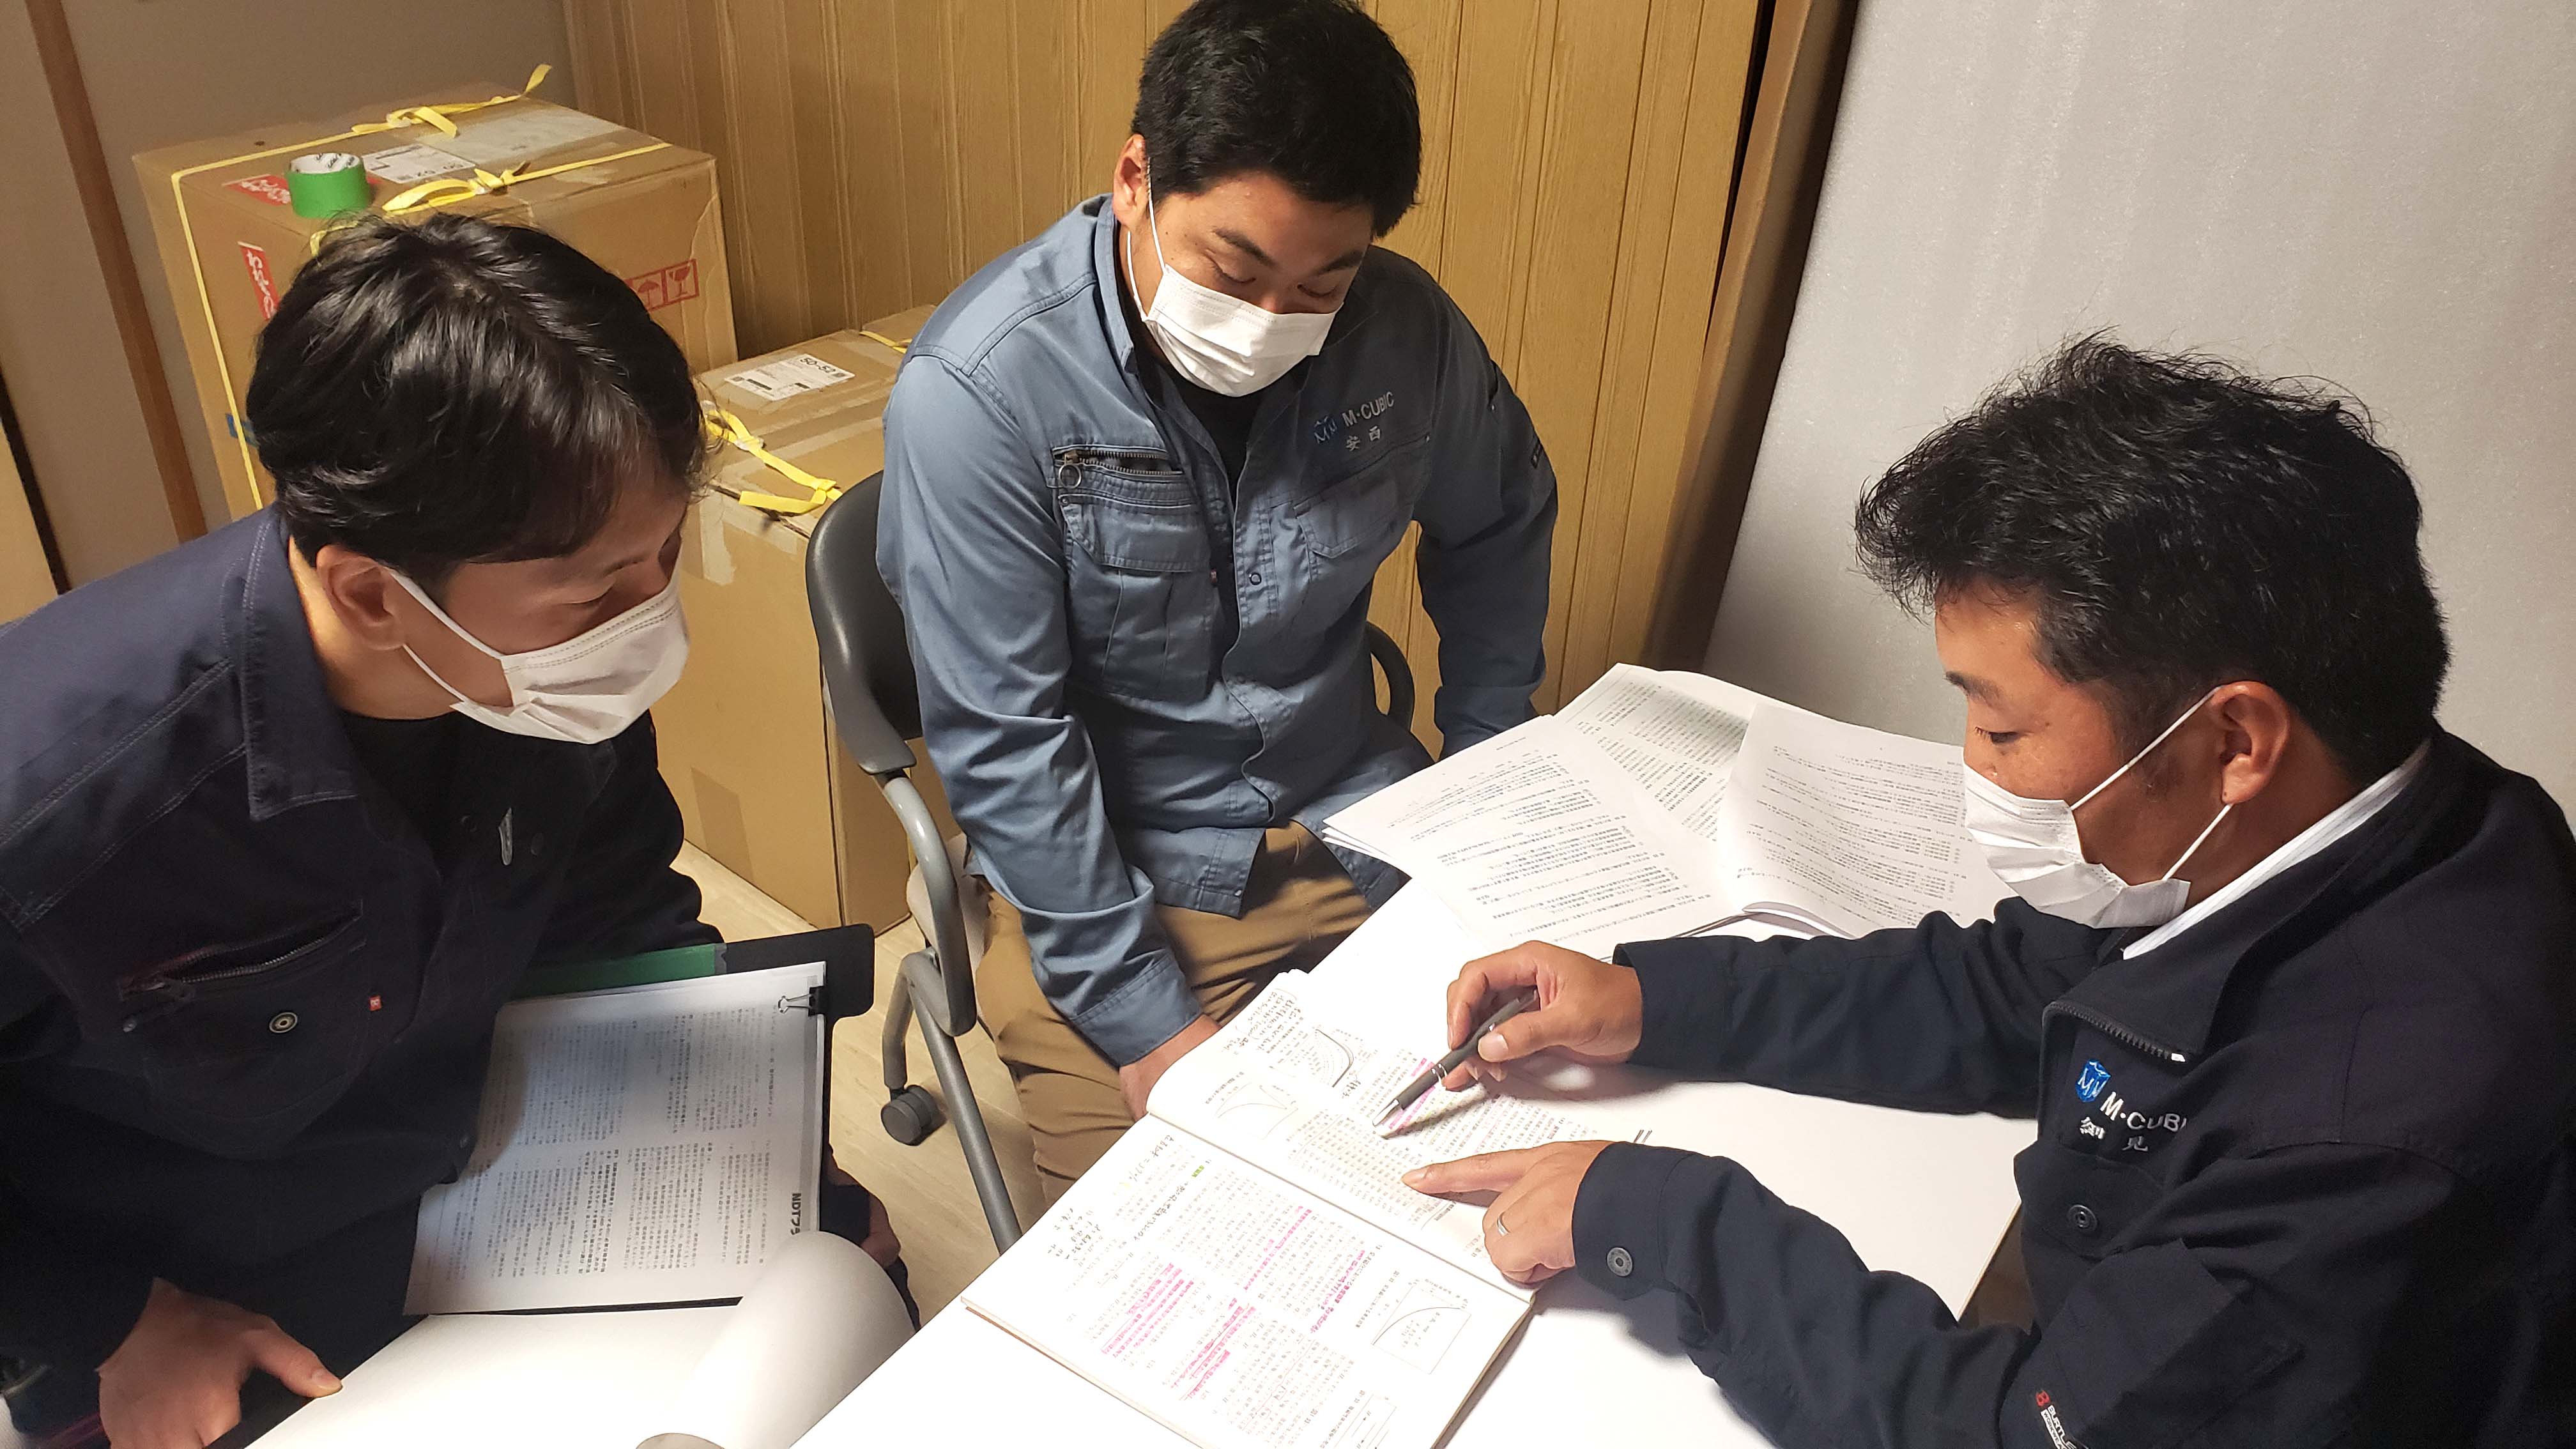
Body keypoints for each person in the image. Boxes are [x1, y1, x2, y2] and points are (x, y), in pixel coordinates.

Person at [1403, 339, 2574, 1445]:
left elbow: (2024, 1431)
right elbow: (2018, 983)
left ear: (2235, 741)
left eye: (2004, 727)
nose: (1975, 763)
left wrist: (1656, 1220)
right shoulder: (2386, 809)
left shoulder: (2370, 1142)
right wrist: (1657, 1001)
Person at [0, 213, 882, 1449]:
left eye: (667, 554)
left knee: (844, 1295)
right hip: (201, 1282)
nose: (652, 615)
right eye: (601, 589)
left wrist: (759, 1143)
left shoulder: (531, 674)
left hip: (501, 1179)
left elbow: (618, 906)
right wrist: (119, 1323)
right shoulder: (60, 796)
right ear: (372, 592)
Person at [878, 0, 1556, 1199]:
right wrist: (1147, 1022)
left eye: (1321, 284)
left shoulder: (1404, 331)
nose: (1268, 321)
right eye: (1233, 271)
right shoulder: (982, 392)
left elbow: (1499, 519)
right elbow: (1008, 740)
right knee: (1167, 1235)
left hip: (1364, 821)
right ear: (1135, 178)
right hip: (1117, 884)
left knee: (1535, 1148)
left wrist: (1482, 783)